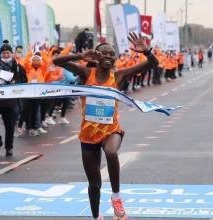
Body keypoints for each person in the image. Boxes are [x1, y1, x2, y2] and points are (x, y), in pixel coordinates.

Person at [53, 32, 158, 220]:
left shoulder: (119, 75)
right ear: (96, 57)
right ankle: (96, 216)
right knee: (94, 184)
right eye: (104, 53)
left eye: (112, 54)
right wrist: (79, 56)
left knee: (111, 152)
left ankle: (117, 197)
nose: (109, 56)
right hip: (88, 134)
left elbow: (153, 64)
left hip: (111, 130)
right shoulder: (86, 73)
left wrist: (147, 51)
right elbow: (57, 61)